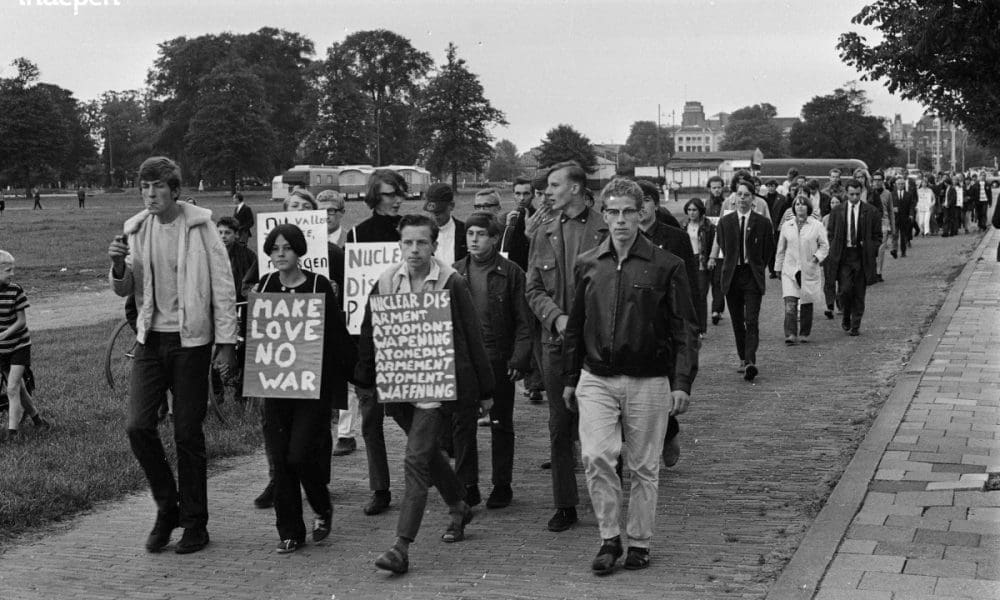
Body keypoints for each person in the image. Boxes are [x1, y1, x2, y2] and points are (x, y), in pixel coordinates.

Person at [562, 178, 698, 575]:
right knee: (597, 456)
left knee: (643, 466)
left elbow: (684, 328)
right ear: (603, 215)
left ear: (642, 214)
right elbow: (576, 325)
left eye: (628, 212)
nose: (620, 220)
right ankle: (609, 539)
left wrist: (682, 382)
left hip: (649, 380)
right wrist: (571, 377)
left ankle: (639, 541)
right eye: (613, 212)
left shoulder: (665, 265)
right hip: (597, 378)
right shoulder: (589, 264)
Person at [107, 156, 238, 554]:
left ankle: (196, 524)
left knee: (186, 432)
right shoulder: (136, 228)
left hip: (191, 343)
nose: (150, 194)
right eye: (144, 187)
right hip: (150, 340)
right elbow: (124, 288)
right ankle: (169, 507)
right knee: (137, 426)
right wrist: (116, 264)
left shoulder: (201, 228)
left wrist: (227, 343)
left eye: (158, 187)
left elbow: (223, 285)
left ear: (175, 191)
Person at [356, 214, 494, 574]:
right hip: (400, 388)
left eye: (421, 242)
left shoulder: (452, 282)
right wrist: (366, 376)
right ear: (399, 244)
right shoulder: (387, 281)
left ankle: (401, 547)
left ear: (434, 245)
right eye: (407, 242)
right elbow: (370, 331)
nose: (414, 249)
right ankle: (459, 505)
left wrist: (485, 389)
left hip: (437, 387)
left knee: (415, 459)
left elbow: (472, 336)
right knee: (429, 453)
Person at [255, 224, 358, 553]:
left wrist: (351, 372)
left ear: (299, 251)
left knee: (299, 455)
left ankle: (322, 505)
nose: (280, 254)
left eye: (286, 248)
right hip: (277, 385)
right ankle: (290, 531)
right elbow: (260, 334)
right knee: (280, 460)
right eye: (275, 249)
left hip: (311, 386)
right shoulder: (267, 284)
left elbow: (336, 334)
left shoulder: (319, 284)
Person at [525, 160, 608, 533]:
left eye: (554, 186)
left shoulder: (605, 230)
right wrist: (556, 317)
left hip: (598, 345)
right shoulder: (544, 232)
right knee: (559, 426)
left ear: (574, 188)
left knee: (602, 426)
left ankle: (607, 497)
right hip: (555, 343)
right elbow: (533, 289)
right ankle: (565, 504)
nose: (547, 193)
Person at [454, 212, 532, 509]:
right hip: (463, 361)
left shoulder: (511, 273)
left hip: (497, 358)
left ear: (495, 238)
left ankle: (502, 484)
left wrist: (519, 358)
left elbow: (524, 321)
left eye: (481, 234)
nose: (473, 239)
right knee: (463, 425)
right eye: (470, 233)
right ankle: (468, 485)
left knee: (500, 422)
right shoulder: (455, 272)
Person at [347, 169, 405, 516]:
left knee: (410, 413)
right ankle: (379, 487)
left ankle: (428, 470)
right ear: (374, 196)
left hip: (404, 333)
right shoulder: (357, 235)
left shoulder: (409, 232)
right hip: (367, 338)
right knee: (370, 419)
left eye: (399, 193)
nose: (395, 199)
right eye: (388, 194)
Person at [708, 180, 774, 382]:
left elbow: (768, 249)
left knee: (751, 319)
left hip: (752, 276)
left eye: (746, 195)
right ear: (734, 198)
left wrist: (757, 265)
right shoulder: (725, 222)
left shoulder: (762, 223)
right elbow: (724, 247)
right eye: (739, 194)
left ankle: (750, 360)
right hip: (732, 276)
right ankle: (742, 358)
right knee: (737, 320)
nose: (742, 199)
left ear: (753, 198)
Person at [502, 177, 549, 405]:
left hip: (537, 281)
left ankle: (537, 383)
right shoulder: (511, 218)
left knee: (537, 332)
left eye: (526, 194)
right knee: (525, 331)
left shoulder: (537, 216)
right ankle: (533, 382)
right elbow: (505, 249)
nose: (522, 198)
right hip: (517, 279)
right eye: (518, 194)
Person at [0, 250, 50, 442]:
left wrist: (5, 333)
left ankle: (12, 434)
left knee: (12, 388)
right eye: (7, 270)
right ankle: (38, 420)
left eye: (13, 269)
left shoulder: (16, 290)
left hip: (19, 346)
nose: (12, 273)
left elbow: (21, 321)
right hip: (2, 350)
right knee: (19, 388)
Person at [826, 179, 882, 336]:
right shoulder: (837, 211)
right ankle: (846, 314)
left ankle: (856, 324)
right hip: (844, 256)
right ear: (846, 193)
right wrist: (834, 247)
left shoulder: (871, 211)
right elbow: (830, 233)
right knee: (844, 290)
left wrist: (871, 248)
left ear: (861, 193)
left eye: (858, 194)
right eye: (851, 194)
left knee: (859, 291)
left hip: (861, 255)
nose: (855, 197)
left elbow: (878, 236)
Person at [212, 217, 257, 406]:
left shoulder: (248, 256)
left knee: (246, 347)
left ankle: (242, 392)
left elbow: (251, 281)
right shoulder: (211, 254)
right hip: (218, 306)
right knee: (213, 349)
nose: (223, 237)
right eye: (220, 232)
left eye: (228, 233)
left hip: (242, 305)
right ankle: (216, 391)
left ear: (236, 235)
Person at [774, 195, 829, 344]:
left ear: (808, 208)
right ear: (793, 207)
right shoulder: (787, 226)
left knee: (806, 302)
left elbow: (824, 246)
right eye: (797, 204)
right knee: (790, 302)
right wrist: (777, 268)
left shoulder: (816, 225)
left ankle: (804, 332)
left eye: (803, 204)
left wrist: (816, 257)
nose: (800, 207)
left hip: (808, 267)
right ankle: (790, 334)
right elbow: (781, 248)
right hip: (790, 269)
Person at [682, 197, 715, 336]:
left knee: (701, 295)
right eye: (689, 210)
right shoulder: (683, 226)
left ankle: (701, 328)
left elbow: (715, 243)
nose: (691, 213)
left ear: (700, 210)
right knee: (688, 294)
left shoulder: (708, 226)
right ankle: (690, 326)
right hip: (687, 261)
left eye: (694, 210)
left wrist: (711, 258)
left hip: (702, 261)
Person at [423, 183, 467, 266]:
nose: (435, 216)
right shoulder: (421, 233)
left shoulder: (465, 231)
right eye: (432, 212)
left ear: (452, 206)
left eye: (440, 211)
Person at [704, 175, 727, 325]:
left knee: (718, 279)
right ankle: (717, 307)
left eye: (719, 187)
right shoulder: (705, 205)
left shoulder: (727, 203)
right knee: (709, 279)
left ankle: (716, 310)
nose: (717, 190)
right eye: (714, 188)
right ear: (709, 189)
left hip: (720, 246)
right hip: (706, 245)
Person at [870, 170, 896, 283]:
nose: (877, 182)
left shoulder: (887, 194)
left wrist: (893, 227)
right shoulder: (869, 193)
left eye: (879, 180)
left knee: (881, 249)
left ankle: (878, 272)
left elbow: (890, 211)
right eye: (875, 180)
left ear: (883, 181)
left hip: (883, 222)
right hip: (870, 223)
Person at [822, 196, 842, 319]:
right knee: (829, 280)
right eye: (832, 202)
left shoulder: (845, 216)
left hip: (841, 252)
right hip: (828, 253)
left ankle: (841, 305)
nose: (834, 204)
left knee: (842, 280)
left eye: (837, 202)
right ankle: (830, 306)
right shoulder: (825, 218)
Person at [891, 176, 915, 257]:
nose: (901, 185)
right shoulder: (891, 194)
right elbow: (889, 206)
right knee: (895, 235)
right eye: (899, 184)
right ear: (896, 185)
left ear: (904, 185)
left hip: (905, 218)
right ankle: (894, 250)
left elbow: (911, 205)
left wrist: (911, 214)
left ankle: (903, 251)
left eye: (902, 184)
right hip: (895, 218)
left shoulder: (908, 194)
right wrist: (892, 209)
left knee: (903, 236)